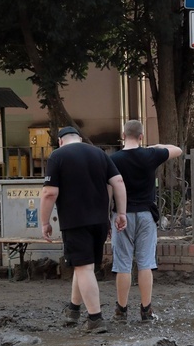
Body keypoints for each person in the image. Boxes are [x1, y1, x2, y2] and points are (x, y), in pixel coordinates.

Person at [40, 126, 128, 333]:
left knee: (84, 268)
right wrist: (121, 212)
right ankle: (73, 310)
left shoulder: (57, 156)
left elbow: (49, 193)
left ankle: (95, 319)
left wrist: (45, 222)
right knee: (83, 266)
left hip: (75, 221)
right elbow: (118, 181)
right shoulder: (99, 153)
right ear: (79, 138)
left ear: (60, 141)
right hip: (99, 221)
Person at [109, 120, 182, 323]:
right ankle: (146, 310)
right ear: (141, 136)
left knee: (122, 263)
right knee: (145, 263)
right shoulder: (150, 155)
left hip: (121, 215)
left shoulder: (113, 159)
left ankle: (121, 311)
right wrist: (153, 147)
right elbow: (177, 149)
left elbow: (109, 189)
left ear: (123, 135)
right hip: (146, 215)